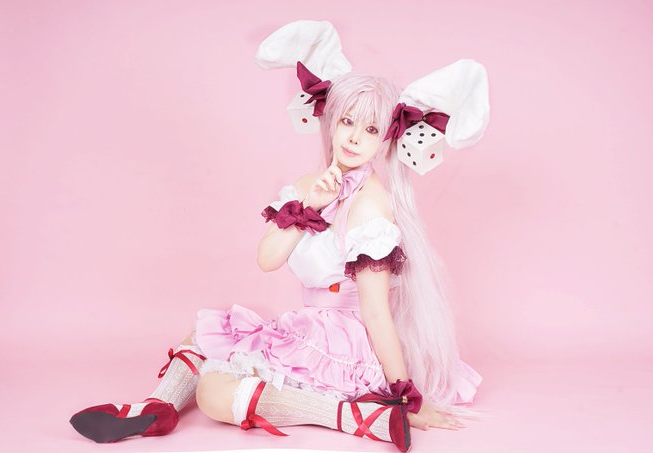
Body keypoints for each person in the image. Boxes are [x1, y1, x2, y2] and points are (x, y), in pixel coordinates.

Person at [69, 70, 482, 452]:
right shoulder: (309, 186)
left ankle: (360, 417)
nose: (355, 138)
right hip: (312, 325)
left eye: (371, 129)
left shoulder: (370, 207)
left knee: (213, 394)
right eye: (347, 121)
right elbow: (267, 259)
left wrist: (404, 394)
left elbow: (376, 313)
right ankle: (157, 408)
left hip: (348, 342)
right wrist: (310, 206)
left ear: (386, 138)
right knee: (203, 336)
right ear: (332, 120)